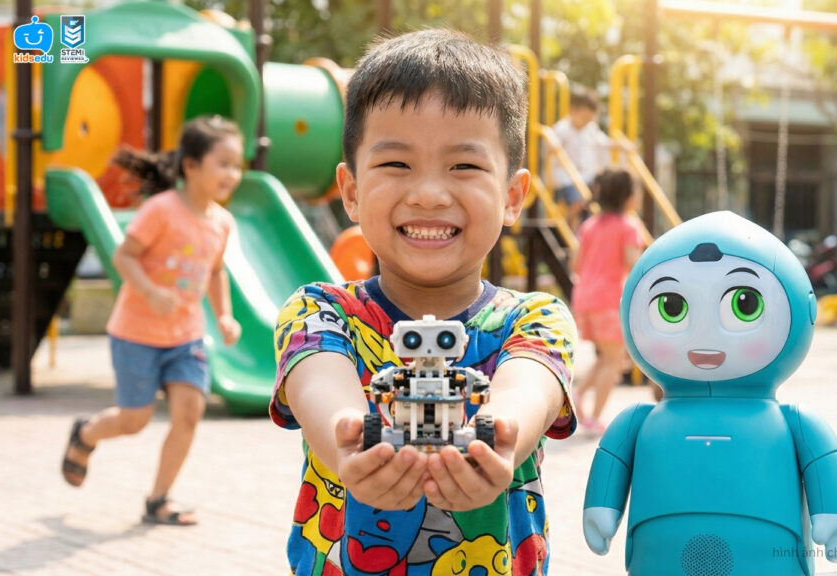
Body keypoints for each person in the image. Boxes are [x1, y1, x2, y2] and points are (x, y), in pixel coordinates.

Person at [271, 30, 577, 576]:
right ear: (351, 192)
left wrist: (497, 441)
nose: (429, 193)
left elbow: (525, 394)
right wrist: (351, 443)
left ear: (512, 196)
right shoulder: (319, 312)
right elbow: (322, 387)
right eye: (396, 165)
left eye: (464, 166)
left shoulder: (534, 319)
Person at [60, 115, 244, 526]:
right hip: (136, 334)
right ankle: (85, 434)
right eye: (224, 163)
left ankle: (158, 499)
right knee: (134, 420)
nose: (233, 173)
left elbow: (216, 271)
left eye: (238, 164)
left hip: (186, 337)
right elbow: (124, 256)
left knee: (189, 412)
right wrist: (149, 291)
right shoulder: (161, 211)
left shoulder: (222, 222)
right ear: (191, 166)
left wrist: (225, 316)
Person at [569, 169, 646, 434]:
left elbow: (576, 263)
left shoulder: (589, 225)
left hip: (584, 297)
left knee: (607, 357)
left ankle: (578, 395)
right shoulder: (628, 226)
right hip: (609, 297)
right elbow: (631, 262)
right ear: (627, 197)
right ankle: (593, 418)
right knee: (614, 361)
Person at [550, 88, 612, 231]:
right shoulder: (563, 128)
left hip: (586, 177)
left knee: (597, 198)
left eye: (589, 119)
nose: (586, 122)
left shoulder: (590, 128)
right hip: (566, 179)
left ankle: (577, 231)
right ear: (573, 111)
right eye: (584, 118)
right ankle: (566, 228)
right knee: (579, 201)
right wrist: (553, 147)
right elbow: (552, 144)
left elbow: (603, 142)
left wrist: (621, 145)